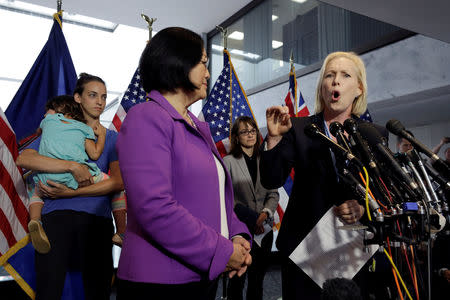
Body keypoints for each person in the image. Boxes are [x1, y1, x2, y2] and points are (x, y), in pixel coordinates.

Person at [115, 27, 252, 300]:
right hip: (161, 282)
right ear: (177, 62)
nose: (208, 73)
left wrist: (238, 236)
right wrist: (221, 251)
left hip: (201, 274)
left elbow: (217, 201)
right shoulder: (146, 117)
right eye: (203, 63)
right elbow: (155, 207)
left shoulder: (197, 126)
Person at [260, 51, 388, 299]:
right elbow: (271, 179)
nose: (335, 81)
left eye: (344, 75)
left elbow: (383, 194)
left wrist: (364, 208)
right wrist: (274, 137)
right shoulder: (297, 128)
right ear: (322, 88)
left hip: (352, 249)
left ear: (359, 88)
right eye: (329, 75)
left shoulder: (375, 134)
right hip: (303, 251)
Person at [16, 73, 124, 300]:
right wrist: (72, 166)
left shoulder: (112, 138)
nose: (100, 102)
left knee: (98, 292)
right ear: (77, 98)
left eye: (103, 97)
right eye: (92, 95)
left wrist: (69, 191)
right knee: (49, 290)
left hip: (97, 221)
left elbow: (117, 182)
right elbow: (24, 160)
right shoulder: (57, 128)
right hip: (55, 218)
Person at [26, 95, 126, 254]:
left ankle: (35, 220)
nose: (45, 114)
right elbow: (94, 154)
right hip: (74, 177)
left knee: (32, 185)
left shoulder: (47, 124)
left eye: (48, 111)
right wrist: (102, 135)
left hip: (46, 179)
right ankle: (121, 231)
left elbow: (34, 139)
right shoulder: (83, 128)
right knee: (115, 185)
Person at [223, 116, 279, 300]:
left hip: (265, 231)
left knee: (258, 279)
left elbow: (273, 193)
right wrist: (253, 218)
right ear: (236, 137)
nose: (250, 134)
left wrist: (265, 213)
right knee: (237, 280)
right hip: (242, 232)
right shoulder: (228, 162)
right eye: (244, 131)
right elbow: (226, 199)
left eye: (253, 130)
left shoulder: (265, 159)